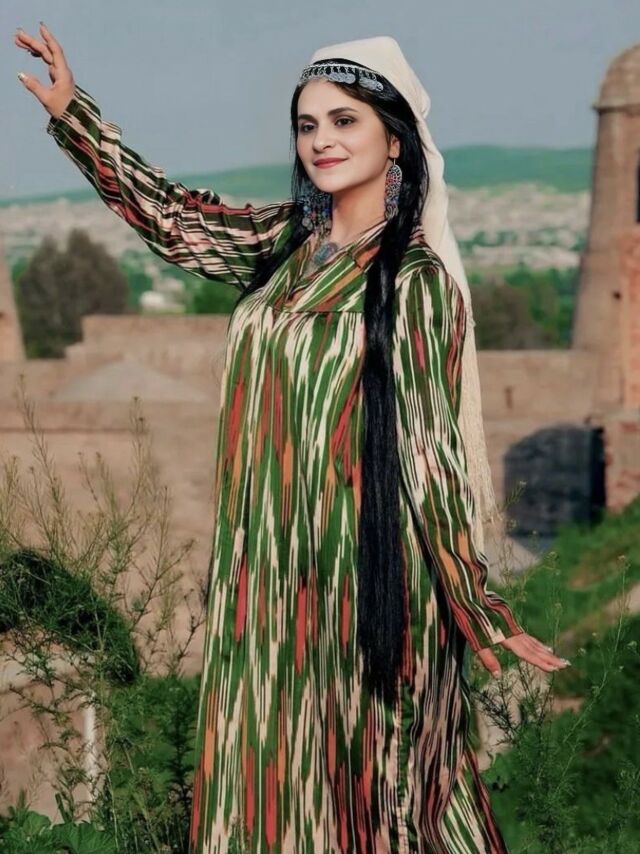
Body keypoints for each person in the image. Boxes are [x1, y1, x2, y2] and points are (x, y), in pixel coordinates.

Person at [15, 23, 571, 853]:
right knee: (276, 795)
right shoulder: (286, 246)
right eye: (307, 124)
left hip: (367, 591)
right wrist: (75, 117)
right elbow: (173, 218)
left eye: (345, 120)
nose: (321, 141)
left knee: (384, 805)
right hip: (268, 588)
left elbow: (430, 457)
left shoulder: (415, 282)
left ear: (395, 139)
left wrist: (477, 605)